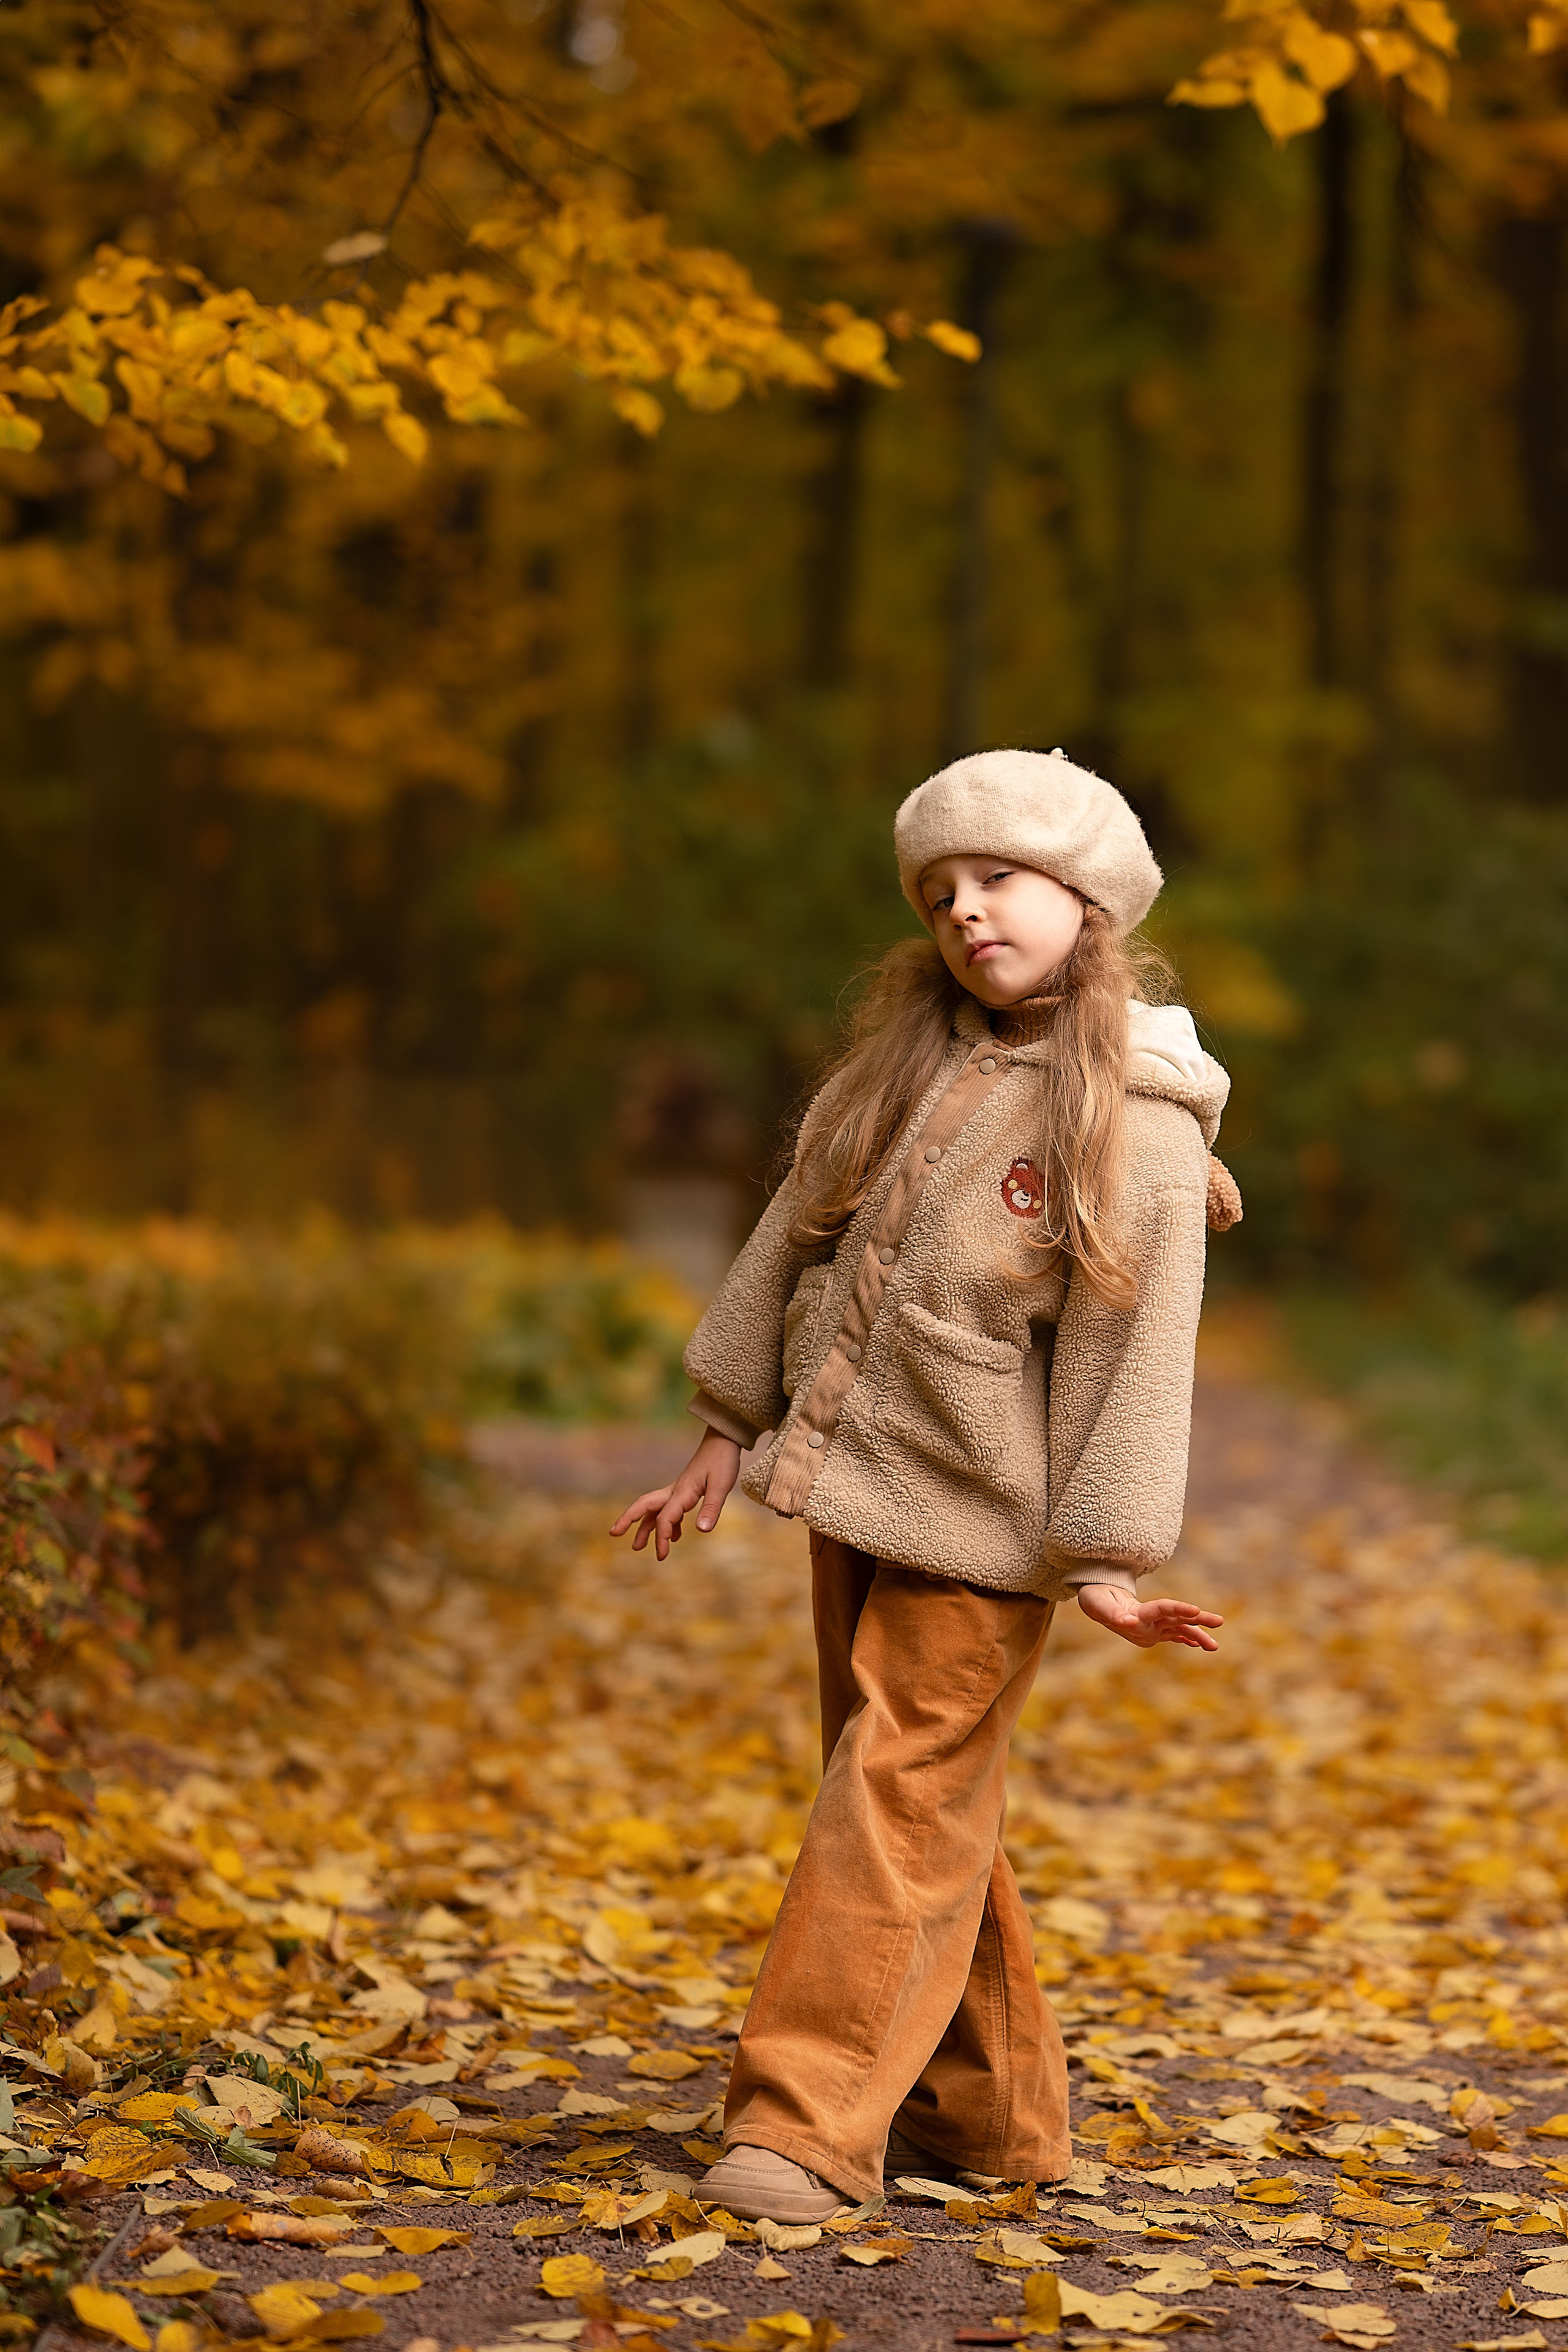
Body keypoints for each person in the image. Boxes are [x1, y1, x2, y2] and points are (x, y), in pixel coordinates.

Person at [611, 747, 1240, 2226]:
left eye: (1000, 880)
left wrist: (1102, 1554)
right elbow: (791, 1238)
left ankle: (806, 2126)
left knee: (892, 1797)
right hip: (851, 1488)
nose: (966, 912)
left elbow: (1130, 1350)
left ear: (1086, 901)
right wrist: (726, 1422)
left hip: (987, 1529)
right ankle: (993, 2119)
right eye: (940, 891)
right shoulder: (901, 1067)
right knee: (903, 1796)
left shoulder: (1132, 1121)